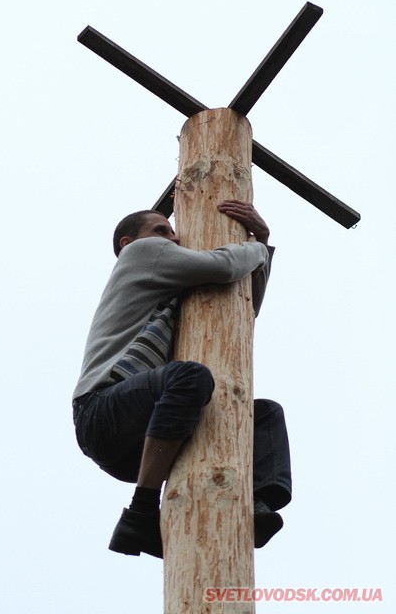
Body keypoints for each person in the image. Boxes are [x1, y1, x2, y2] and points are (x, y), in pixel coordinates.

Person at [72, 200, 291, 558]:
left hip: (146, 433)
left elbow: (242, 307)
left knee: (263, 414)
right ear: (129, 242)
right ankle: (140, 514)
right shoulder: (140, 255)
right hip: (102, 408)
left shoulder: (173, 287)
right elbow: (222, 267)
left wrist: (262, 245)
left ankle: (256, 505)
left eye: (173, 233)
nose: (172, 239)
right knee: (189, 376)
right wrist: (256, 245)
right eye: (161, 231)